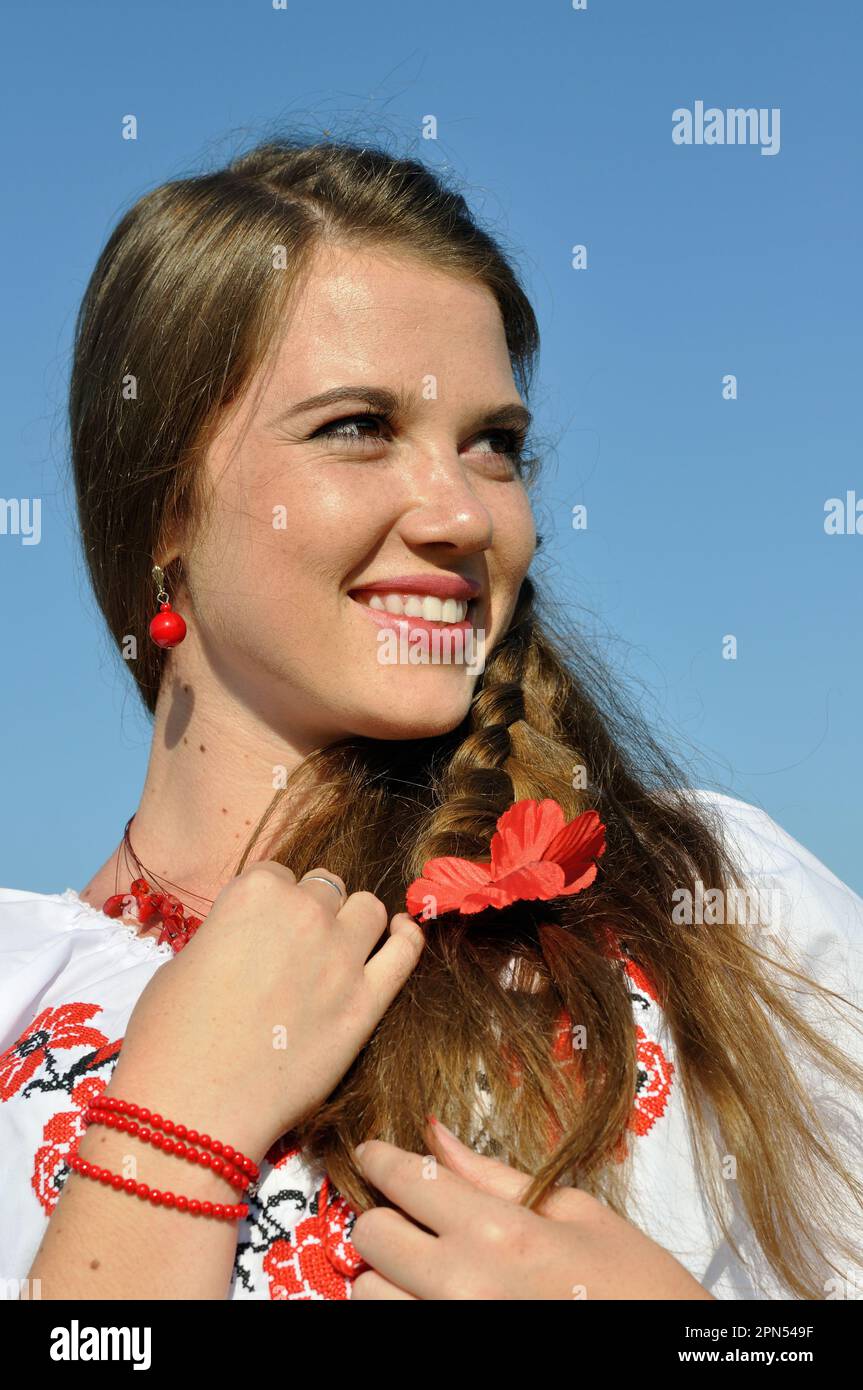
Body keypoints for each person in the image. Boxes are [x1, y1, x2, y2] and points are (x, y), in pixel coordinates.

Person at [1, 135, 861, 1302]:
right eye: (356, 426)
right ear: (162, 505)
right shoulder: (20, 990)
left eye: (493, 444)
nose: (459, 512)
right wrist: (170, 1127)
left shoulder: (707, 899)